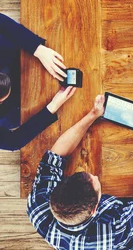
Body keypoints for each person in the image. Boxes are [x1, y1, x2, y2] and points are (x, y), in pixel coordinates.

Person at [27, 95, 133, 250]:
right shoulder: (112, 232)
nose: (95, 175)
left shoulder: (37, 204)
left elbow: (55, 155)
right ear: (94, 210)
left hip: (78, 247)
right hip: (120, 241)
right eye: (96, 184)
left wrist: (93, 114)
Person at [0, 13, 76, 151]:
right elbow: (13, 141)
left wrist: (37, 48)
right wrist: (52, 107)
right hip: (16, 108)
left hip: (13, 53)